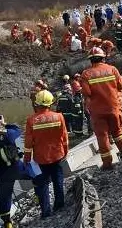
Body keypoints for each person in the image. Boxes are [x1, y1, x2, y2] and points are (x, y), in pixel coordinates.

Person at [81, 47, 122, 169]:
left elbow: (86, 92)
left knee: (102, 136)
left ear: (91, 60)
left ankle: (107, 163)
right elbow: (121, 84)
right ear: (103, 58)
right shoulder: (112, 69)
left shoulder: (86, 74)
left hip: (97, 111)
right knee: (118, 131)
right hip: (114, 107)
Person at [23, 90, 68, 218]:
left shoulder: (31, 120)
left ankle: (46, 212)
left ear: (37, 104)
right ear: (50, 103)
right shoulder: (59, 116)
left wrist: (27, 158)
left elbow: (28, 143)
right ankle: (60, 204)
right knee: (58, 179)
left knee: (42, 185)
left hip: (40, 158)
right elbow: (64, 137)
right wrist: (65, 151)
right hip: (57, 155)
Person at [0, 116, 22, 228]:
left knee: (4, 198)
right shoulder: (8, 134)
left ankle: (7, 222)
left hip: (3, 174)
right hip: (17, 168)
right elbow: (18, 130)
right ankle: (39, 196)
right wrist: (5, 125)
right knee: (37, 175)